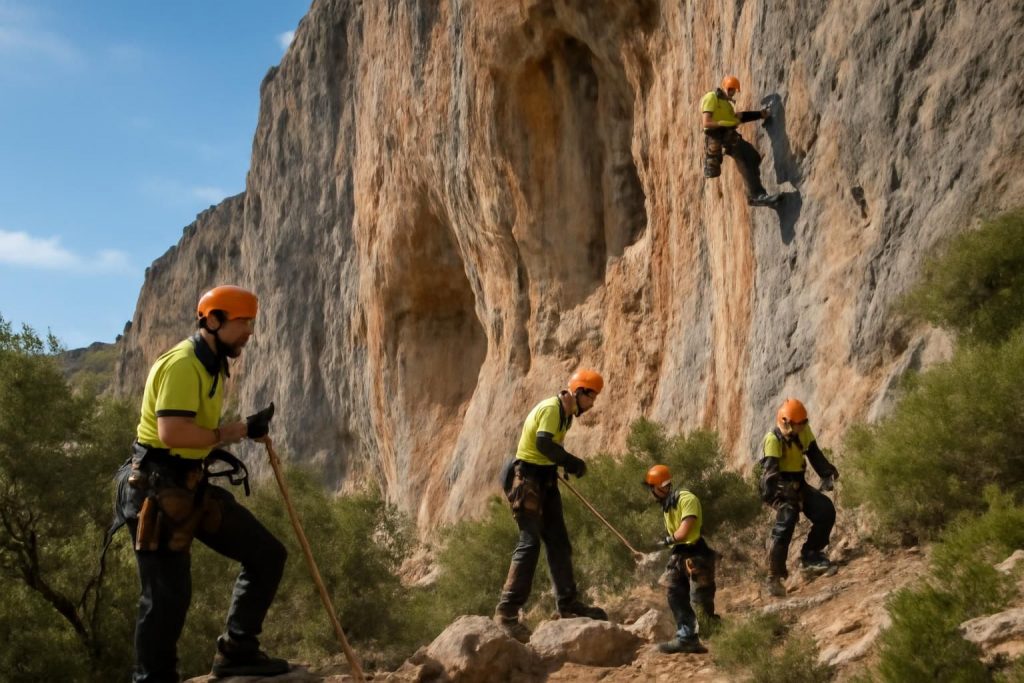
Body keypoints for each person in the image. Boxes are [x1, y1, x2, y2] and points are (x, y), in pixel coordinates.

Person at [112, 285, 289, 681]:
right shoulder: (183, 363)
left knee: (266, 555)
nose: (249, 332)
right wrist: (232, 431)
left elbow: (191, 432)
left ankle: (238, 651)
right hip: (155, 487)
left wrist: (242, 431)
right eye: (243, 322)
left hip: (184, 483)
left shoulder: (211, 364)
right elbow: (172, 432)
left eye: (251, 323)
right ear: (213, 320)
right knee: (166, 597)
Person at [493, 369, 608, 642]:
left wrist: (561, 464)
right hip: (527, 480)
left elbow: (548, 448)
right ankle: (506, 613)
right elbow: (543, 443)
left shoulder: (566, 414)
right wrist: (570, 461)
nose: (593, 404)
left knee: (558, 541)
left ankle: (567, 605)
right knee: (529, 542)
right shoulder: (551, 409)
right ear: (579, 392)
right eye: (592, 397)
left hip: (544, 480)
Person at [758, 398, 839, 597]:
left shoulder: (803, 431)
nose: (803, 426)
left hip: (798, 483)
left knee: (825, 510)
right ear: (787, 423)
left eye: (804, 422)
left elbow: (814, 453)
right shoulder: (773, 439)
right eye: (799, 423)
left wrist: (826, 473)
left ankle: (811, 555)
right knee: (786, 522)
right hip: (778, 486)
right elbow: (770, 475)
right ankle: (774, 577)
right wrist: (784, 496)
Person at [644, 465, 717, 655]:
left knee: (701, 602)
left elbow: (683, 532)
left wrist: (663, 542)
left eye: (651, 488)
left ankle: (720, 637)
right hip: (680, 555)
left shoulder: (686, 499)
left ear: (658, 487)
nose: (651, 493)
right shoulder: (668, 505)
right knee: (674, 594)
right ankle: (687, 638)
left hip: (697, 554)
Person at [701, 75, 778, 206]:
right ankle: (756, 195)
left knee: (753, 157)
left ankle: (754, 193)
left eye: (734, 90)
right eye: (730, 88)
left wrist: (760, 114)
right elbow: (706, 122)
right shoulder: (711, 97)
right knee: (745, 161)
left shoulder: (727, 105)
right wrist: (722, 124)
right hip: (721, 138)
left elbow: (739, 118)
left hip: (731, 136)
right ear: (724, 87)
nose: (731, 92)